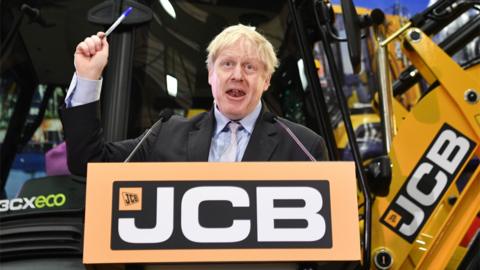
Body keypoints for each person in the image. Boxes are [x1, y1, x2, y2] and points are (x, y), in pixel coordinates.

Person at [60, 24, 328, 176]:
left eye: (250, 67)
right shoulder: (165, 134)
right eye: (227, 64)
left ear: (266, 80)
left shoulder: (304, 148)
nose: (237, 75)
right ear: (211, 74)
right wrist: (88, 76)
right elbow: (89, 163)